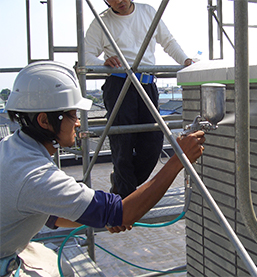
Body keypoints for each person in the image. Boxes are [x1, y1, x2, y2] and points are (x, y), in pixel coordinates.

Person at [0, 61, 204, 276]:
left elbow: (49, 213)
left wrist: (101, 216)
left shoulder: (12, 148)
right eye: (72, 115)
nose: (78, 123)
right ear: (44, 121)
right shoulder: (35, 175)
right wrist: (177, 160)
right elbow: (123, 214)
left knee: (63, 270)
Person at [84, 0, 193, 199]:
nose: (119, 1)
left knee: (153, 142)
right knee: (122, 142)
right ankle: (124, 202)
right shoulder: (102, 22)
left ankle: (121, 185)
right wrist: (103, 62)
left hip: (147, 83)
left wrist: (186, 61)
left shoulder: (148, 12)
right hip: (119, 85)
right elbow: (86, 55)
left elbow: (167, 41)